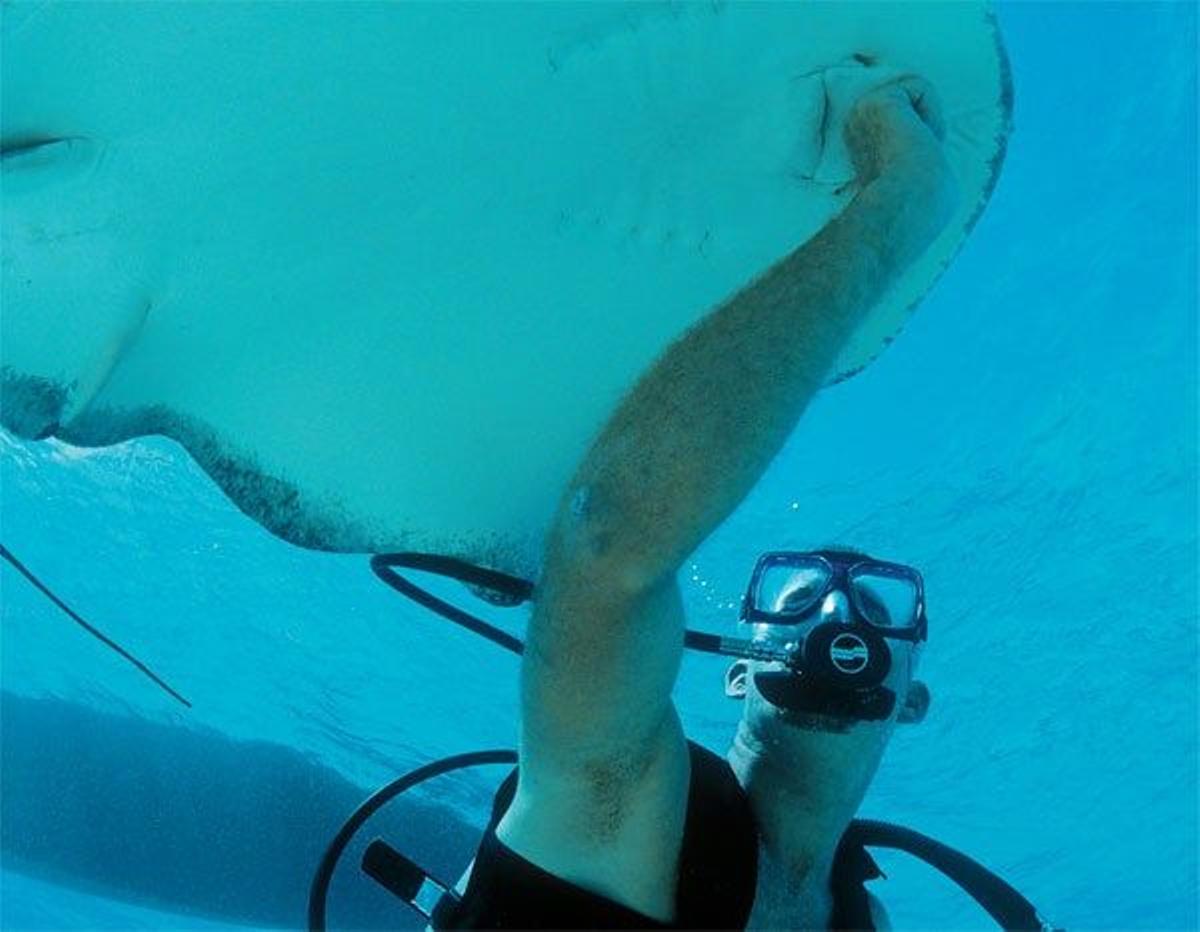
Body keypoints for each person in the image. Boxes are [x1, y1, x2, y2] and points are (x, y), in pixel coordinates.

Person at [440, 73, 957, 930]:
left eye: (878, 604)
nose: (837, 613)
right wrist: (892, 211)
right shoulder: (620, 803)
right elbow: (605, 550)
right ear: (736, 666)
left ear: (913, 696)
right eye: (792, 599)